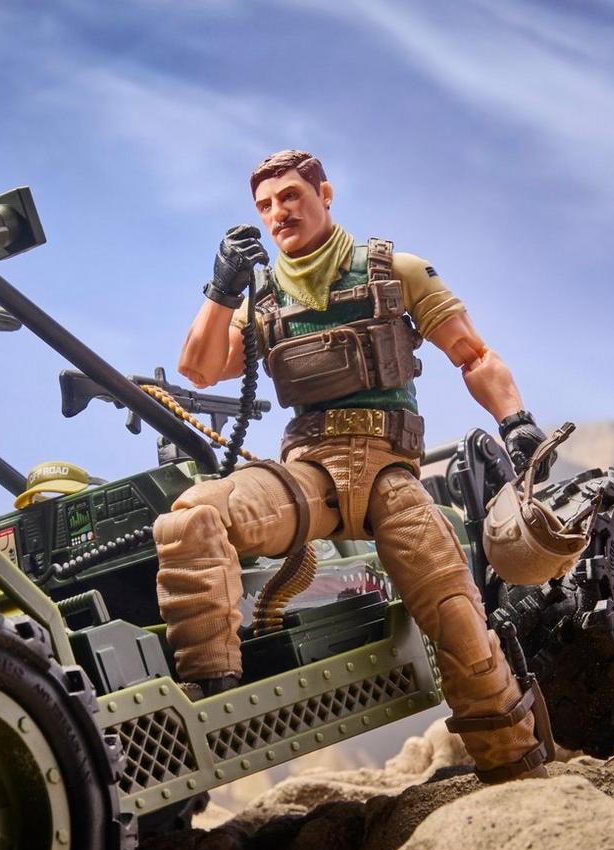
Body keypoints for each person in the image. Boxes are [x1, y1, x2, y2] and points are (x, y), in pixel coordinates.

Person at [153, 150, 554, 783]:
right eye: (264, 205)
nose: (278, 212)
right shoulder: (262, 298)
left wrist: (516, 421)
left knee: (459, 618)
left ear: (325, 194)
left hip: (389, 473)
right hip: (309, 473)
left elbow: (473, 355)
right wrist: (222, 289)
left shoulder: (394, 271)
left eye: (290, 195)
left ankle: (515, 769)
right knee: (190, 519)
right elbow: (198, 369)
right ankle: (212, 691)